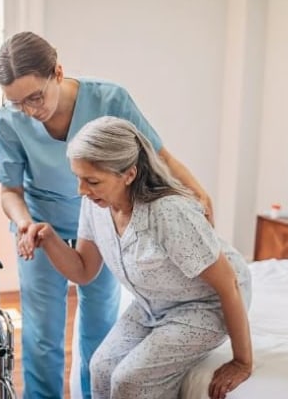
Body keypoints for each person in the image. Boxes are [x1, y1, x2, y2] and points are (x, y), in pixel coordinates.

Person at [0, 31, 214, 398]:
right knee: (42, 334)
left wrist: (198, 193)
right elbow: (9, 190)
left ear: (57, 73)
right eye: (18, 104)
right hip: (40, 228)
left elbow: (159, 156)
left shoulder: (109, 99)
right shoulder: (7, 121)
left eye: (36, 96)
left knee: (100, 326)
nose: (30, 110)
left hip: (101, 226)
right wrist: (25, 224)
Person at [19, 116, 252, 399]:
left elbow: (228, 283)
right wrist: (50, 239)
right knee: (101, 367)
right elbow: (83, 271)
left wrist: (242, 362)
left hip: (205, 303)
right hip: (153, 302)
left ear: (128, 174)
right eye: (78, 178)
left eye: (92, 181)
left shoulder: (168, 212)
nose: (81, 190)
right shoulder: (95, 206)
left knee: (130, 380)